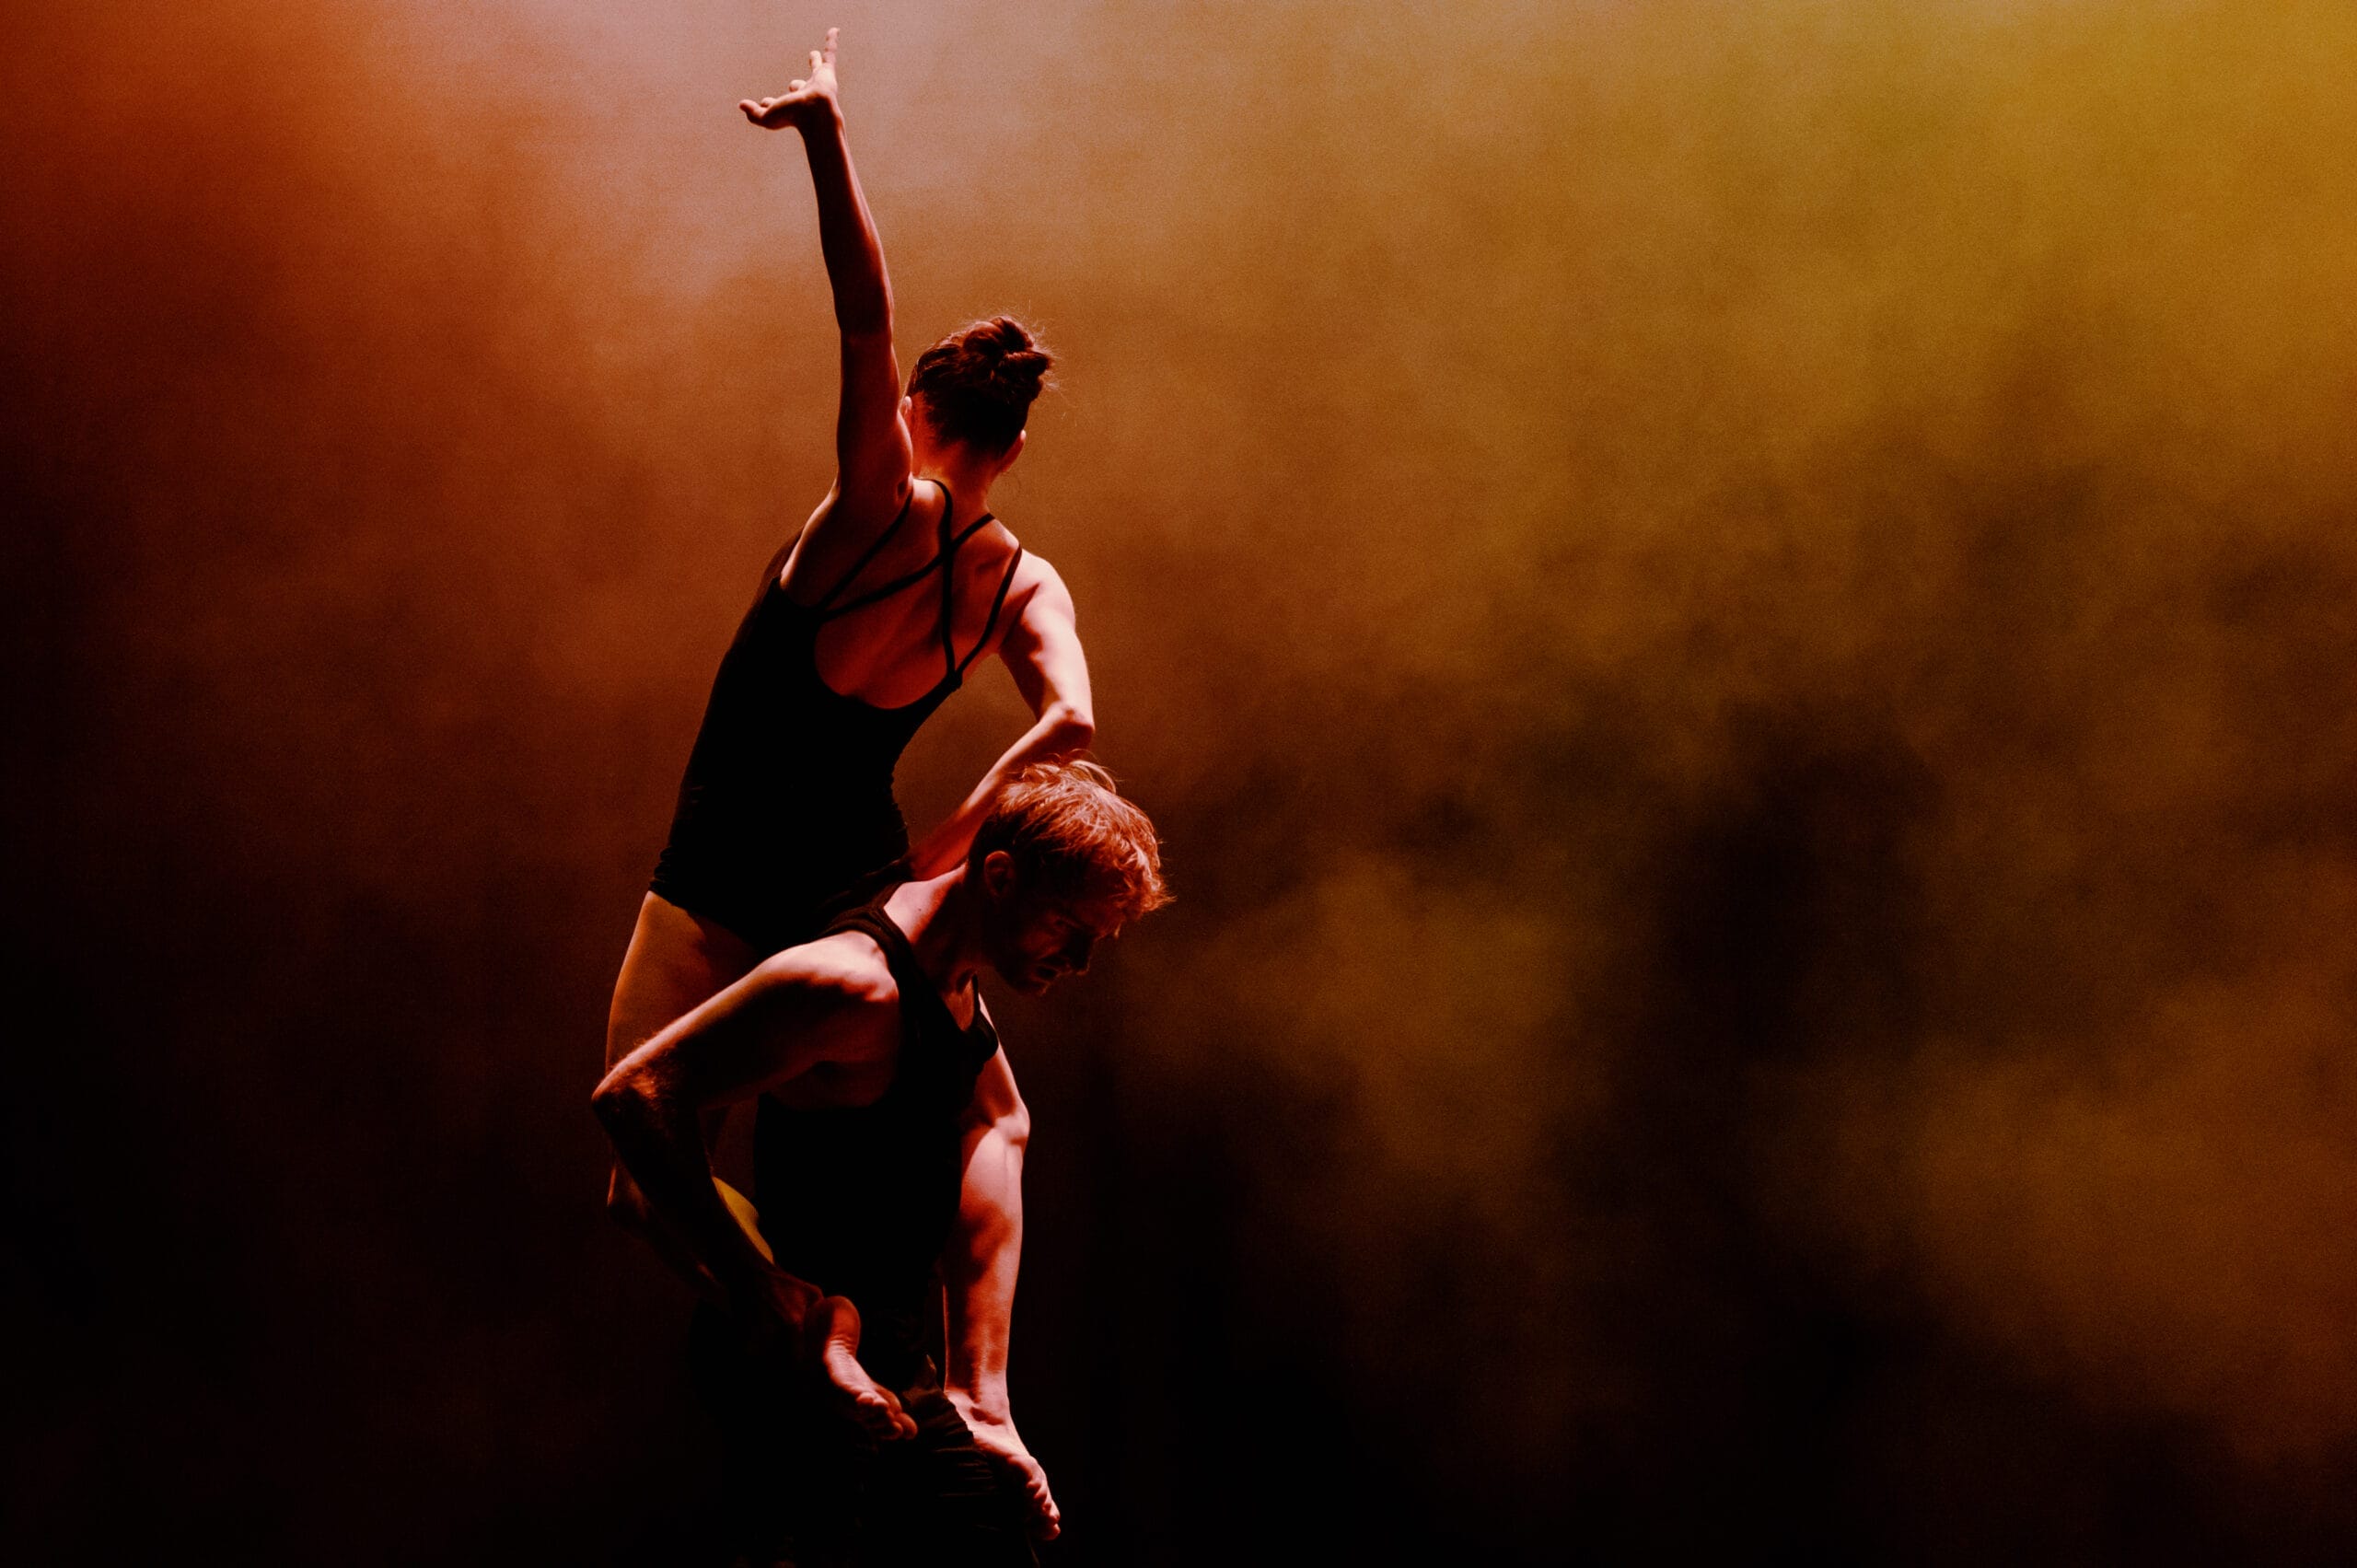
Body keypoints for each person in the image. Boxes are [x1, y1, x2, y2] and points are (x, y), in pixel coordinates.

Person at [601, 24, 1095, 1531]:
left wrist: (825, 131)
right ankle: (978, 1391)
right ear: (1016, 437)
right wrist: (952, 839)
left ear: (930, 413)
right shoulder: (1018, 577)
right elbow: (1072, 721)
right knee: (988, 1110)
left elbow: (861, 310)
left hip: (720, 875)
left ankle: (803, 1316)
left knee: (642, 1155)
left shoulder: (872, 503)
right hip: (861, 883)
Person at [596, 761, 1169, 1564]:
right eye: (1069, 930)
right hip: (800, 1376)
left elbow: (1003, 1120)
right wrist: (757, 1286)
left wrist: (986, 1393)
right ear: (999, 875)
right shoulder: (854, 986)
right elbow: (636, 1094)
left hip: (895, 1363)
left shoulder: (953, 983)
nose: (1077, 962)